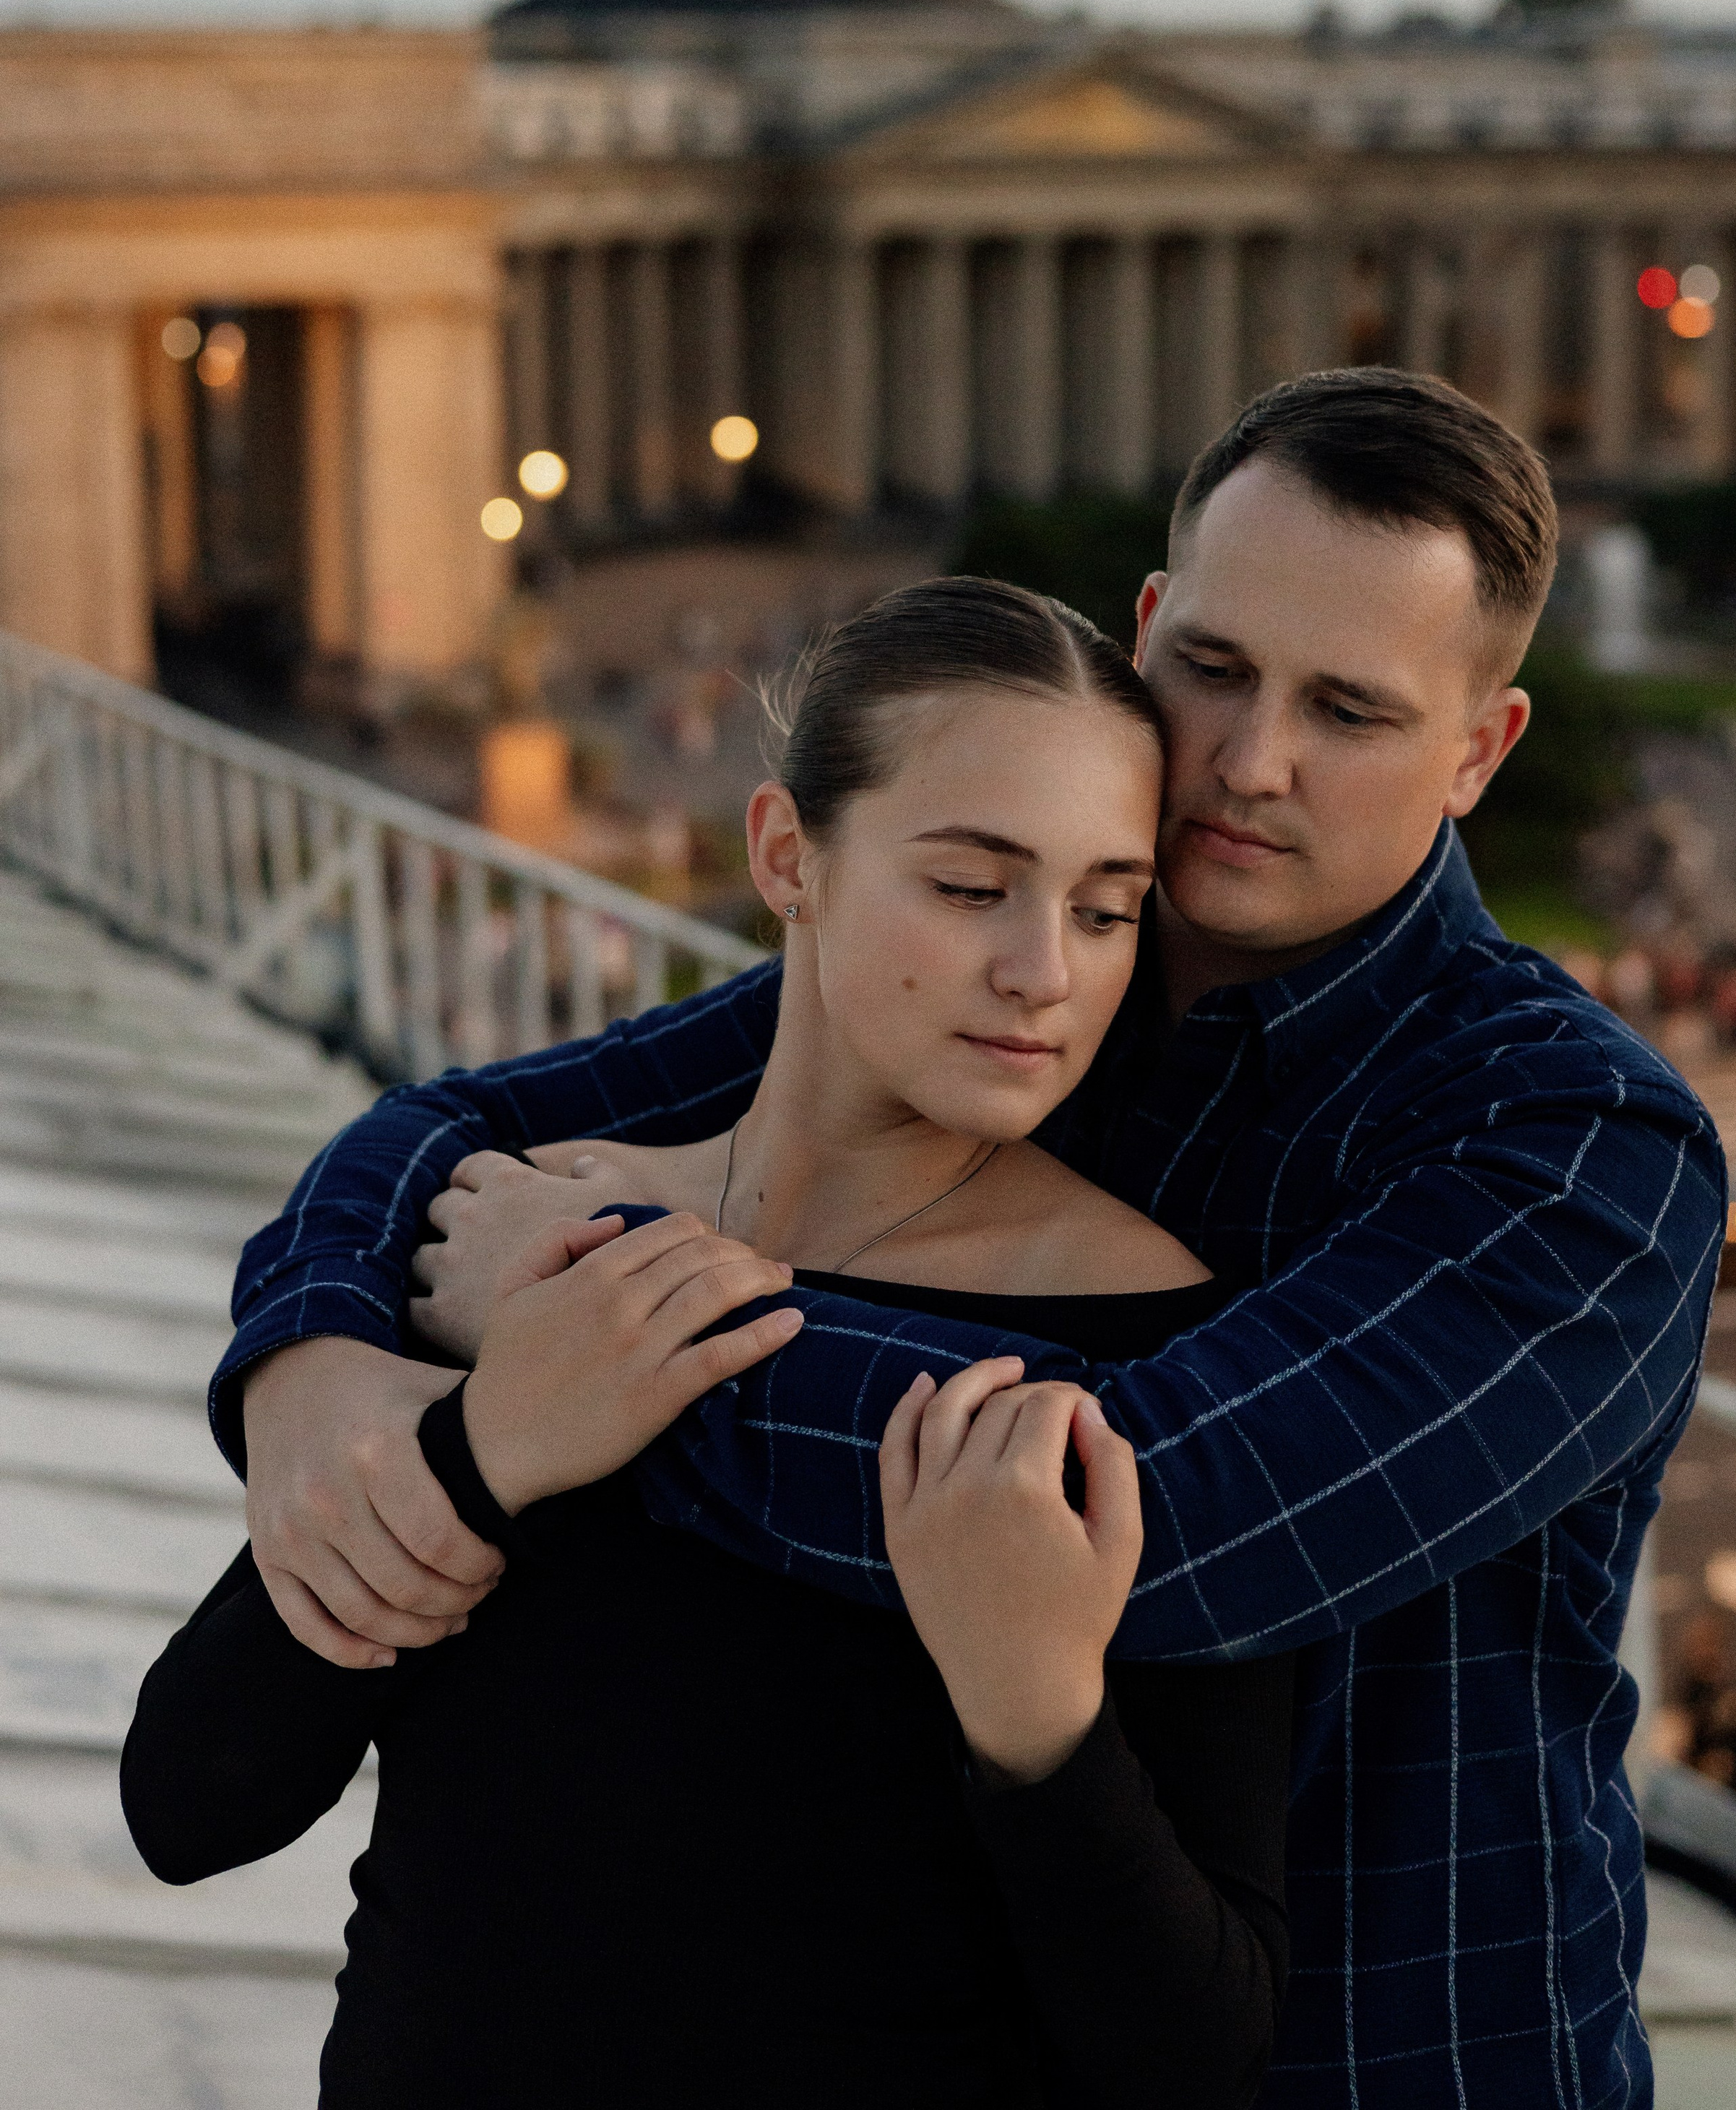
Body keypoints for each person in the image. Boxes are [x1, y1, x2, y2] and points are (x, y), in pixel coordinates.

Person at [215, 370, 1727, 2107]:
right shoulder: (1036, 968)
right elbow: (453, 1128)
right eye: (1215, 671)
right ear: (1146, 624)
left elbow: (1134, 1527)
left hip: (1402, 2051)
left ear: (1479, 750)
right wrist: (313, 1358)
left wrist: (582, 1327)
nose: (1248, 764)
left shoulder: (1576, 1145)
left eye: (1350, 711)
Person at [124, 582, 1292, 2110]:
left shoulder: (1152, 1351)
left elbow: (1194, 2047)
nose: (1044, 974)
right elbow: (191, 1800)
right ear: (786, 856)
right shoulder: (529, 1245)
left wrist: (1037, 1724)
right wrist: (479, 1460)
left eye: (1103, 905)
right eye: (967, 887)